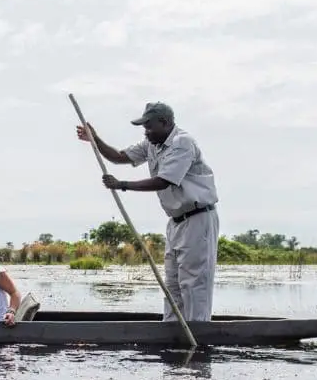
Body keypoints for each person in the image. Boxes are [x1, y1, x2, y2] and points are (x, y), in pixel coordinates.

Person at [76, 101, 220, 322]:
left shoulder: (182, 143)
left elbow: (164, 181)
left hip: (198, 218)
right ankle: (172, 333)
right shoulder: (151, 144)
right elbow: (119, 157)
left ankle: (199, 336)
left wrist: (122, 184)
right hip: (175, 221)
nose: (146, 131)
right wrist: (94, 140)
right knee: (172, 283)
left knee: (193, 283)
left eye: (149, 126)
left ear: (165, 123)